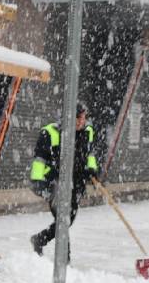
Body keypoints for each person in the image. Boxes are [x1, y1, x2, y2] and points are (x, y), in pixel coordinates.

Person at [29, 102, 100, 258]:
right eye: (77, 118)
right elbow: (39, 160)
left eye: (83, 118)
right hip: (55, 183)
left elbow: (90, 155)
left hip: (76, 184)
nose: (81, 121)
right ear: (68, 117)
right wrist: (38, 182)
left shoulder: (88, 132)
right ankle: (64, 258)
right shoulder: (50, 133)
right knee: (63, 218)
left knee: (68, 220)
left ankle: (40, 239)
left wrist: (92, 171)